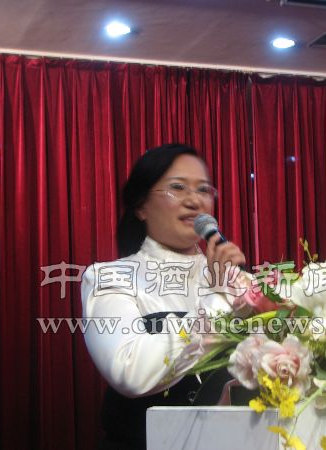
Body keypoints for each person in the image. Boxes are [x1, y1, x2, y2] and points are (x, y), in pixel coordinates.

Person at [81, 144, 247, 450]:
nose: (194, 200)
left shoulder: (237, 280)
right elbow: (130, 372)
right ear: (141, 206)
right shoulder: (110, 278)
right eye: (177, 187)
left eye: (204, 189)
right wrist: (216, 297)